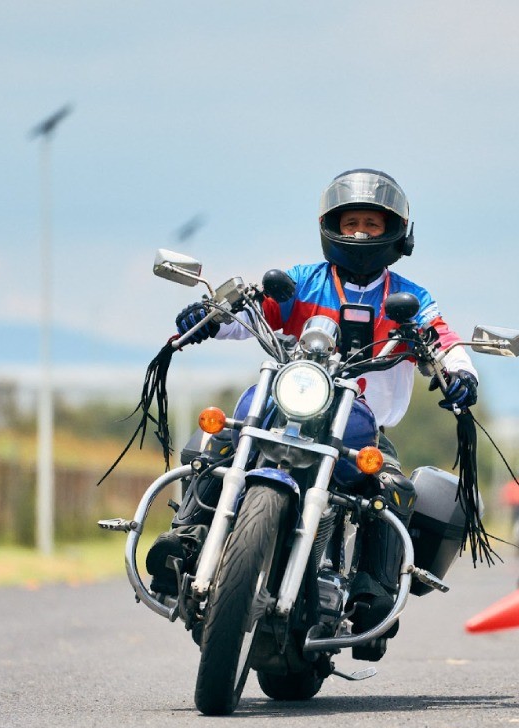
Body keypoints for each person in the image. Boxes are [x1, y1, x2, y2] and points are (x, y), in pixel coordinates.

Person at [149, 169, 479, 659]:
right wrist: (210, 316)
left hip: (361, 428)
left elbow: (441, 336)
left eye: (371, 223)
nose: (361, 233)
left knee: (392, 486)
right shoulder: (301, 280)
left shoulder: (411, 298)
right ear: (332, 226)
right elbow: (254, 309)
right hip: (289, 408)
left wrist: (457, 370)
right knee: (219, 442)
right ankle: (188, 538)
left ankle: (372, 592)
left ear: (395, 232)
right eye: (351, 223)